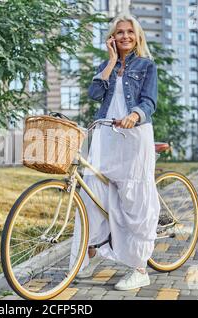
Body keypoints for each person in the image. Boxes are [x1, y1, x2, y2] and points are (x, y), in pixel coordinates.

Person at [69, 14, 160, 291]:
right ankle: (93, 252)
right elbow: (95, 93)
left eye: (129, 32)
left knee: (132, 198)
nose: (124, 36)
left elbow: (149, 102)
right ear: (112, 37)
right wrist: (110, 62)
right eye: (119, 32)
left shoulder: (147, 65)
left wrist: (135, 114)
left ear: (137, 36)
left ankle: (139, 268)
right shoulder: (104, 64)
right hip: (106, 135)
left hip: (134, 135)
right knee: (92, 194)